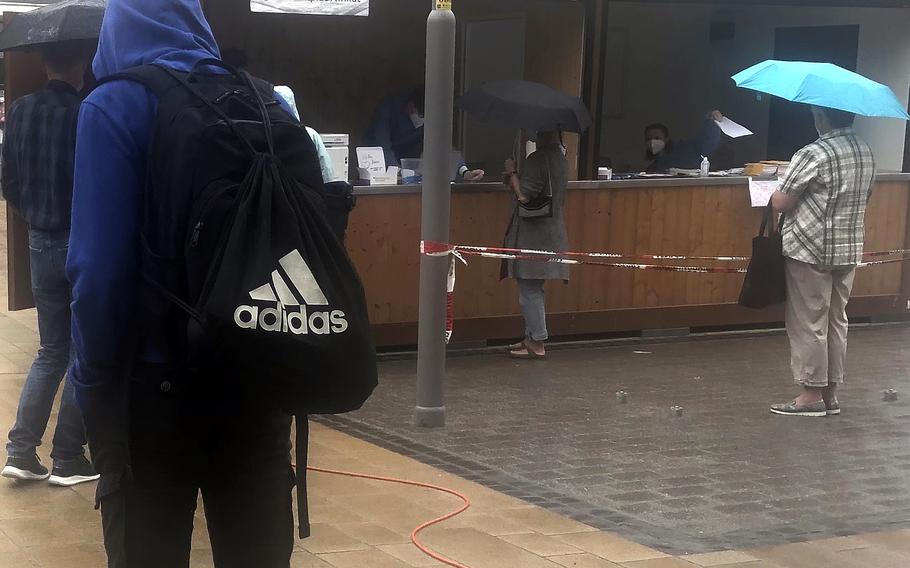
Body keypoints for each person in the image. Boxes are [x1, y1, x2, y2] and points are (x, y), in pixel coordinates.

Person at [67, 1, 299, 565]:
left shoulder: (114, 105)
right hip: (256, 375)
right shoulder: (267, 103)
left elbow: (96, 275)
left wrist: (92, 387)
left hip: (153, 394)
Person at [0, 42, 98, 487]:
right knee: (81, 352)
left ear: (43, 63)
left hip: (39, 240)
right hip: (82, 242)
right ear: (82, 64)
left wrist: (35, 215)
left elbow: (9, 181)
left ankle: (21, 451)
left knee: (50, 350)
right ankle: (67, 458)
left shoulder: (19, 111)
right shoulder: (88, 112)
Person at [769, 105, 875, 417]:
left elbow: (783, 201)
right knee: (837, 320)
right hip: (848, 248)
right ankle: (830, 394)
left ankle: (810, 395)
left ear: (821, 118)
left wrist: (778, 186)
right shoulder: (866, 151)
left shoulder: (814, 152)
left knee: (809, 321)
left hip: (809, 248)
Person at [502, 130, 569, 359]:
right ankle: (530, 337)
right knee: (533, 288)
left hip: (534, 234)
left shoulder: (538, 159)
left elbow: (525, 196)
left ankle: (537, 341)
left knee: (529, 290)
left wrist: (512, 173)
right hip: (552, 232)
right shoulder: (561, 159)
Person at [362, 85, 484, 181]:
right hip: (378, 161)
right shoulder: (388, 107)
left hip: (409, 164)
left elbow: (443, 146)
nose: (423, 121)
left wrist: (465, 172)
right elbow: (382, 146)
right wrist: (397, 172)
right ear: (410, 107)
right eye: (421, 116)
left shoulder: (433, 114)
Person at [645, 110, 724, 172]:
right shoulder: (652, 168)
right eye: (649, 139)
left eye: (657, 138)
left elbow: (708, 142)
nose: (652, 142)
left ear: (666, 138)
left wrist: (712, 122)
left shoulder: (684, 152)